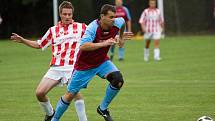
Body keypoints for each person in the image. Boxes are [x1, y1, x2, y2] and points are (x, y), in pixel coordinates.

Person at [10, 1, 88, 121]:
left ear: (72, 14)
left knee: (74, 92)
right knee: (39, 93)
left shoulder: (81, 27)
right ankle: (50, 113)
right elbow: (39, 44)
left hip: (72, 67)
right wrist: (23, 40)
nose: (67, 17)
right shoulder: (53, 30)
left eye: (70, 14)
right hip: (56, 67)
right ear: (60, 14)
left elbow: (96, 34)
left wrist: (116, 36)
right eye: (65, 14)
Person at [51, 4, 130, 121]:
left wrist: (122, 38)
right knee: (70, 95)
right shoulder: (93, 28)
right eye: (111, 17)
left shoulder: (117, 22)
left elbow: (123, 22)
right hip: (84, 66)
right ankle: (54, 119)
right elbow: (83, 46)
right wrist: (104, 43)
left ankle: (102, 109)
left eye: (114, 17)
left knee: (118, 79)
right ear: (102, 16)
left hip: (102, 62)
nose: (114, 19)